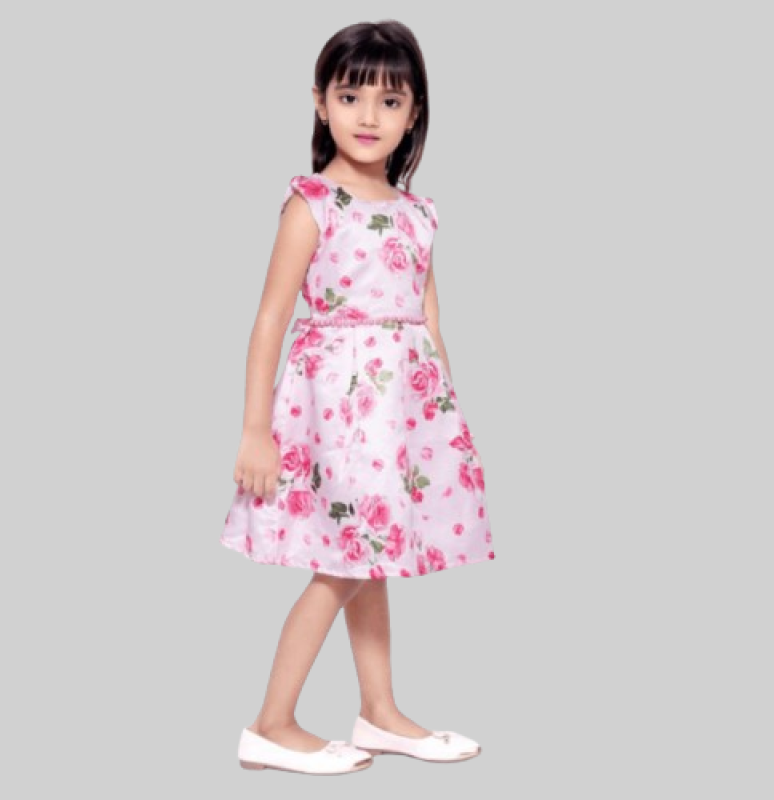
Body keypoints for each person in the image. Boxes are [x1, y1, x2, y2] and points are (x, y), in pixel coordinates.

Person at [221, 20, 494, 776]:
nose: (368, 116)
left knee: (371, 556)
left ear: (414, 113)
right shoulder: (313, 203)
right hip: (338, 411)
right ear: (320, 102)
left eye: (389, 101)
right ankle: (271, 723)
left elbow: (427, 323)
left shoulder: (419, 214)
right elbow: (270, 318)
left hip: (400, 413)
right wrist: (254, 431)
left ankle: (379, 713)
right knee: (347, 557)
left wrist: (446, 424)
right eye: (350, 97)